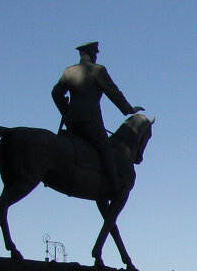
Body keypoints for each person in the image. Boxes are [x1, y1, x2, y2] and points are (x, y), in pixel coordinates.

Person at [51, 41, 143, 192]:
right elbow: (113, 92)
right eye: (95, 53)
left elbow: (56, 93)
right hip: (90, 122)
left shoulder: (69, 71)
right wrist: (128, 109)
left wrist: (66, 111)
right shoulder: (97, 70)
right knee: (105, 149)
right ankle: (114, 186)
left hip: (72, 123)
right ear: (92, 53)